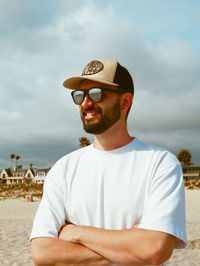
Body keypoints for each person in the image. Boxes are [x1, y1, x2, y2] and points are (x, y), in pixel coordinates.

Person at [30, 59, 187, 266]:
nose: (85, 103)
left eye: (96, 93)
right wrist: (130, 248)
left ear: (125, 102)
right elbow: (42, 252)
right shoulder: (63, 169)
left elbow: (154, 249)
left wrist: (75, 233)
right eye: (80, 96)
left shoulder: (161, 163)